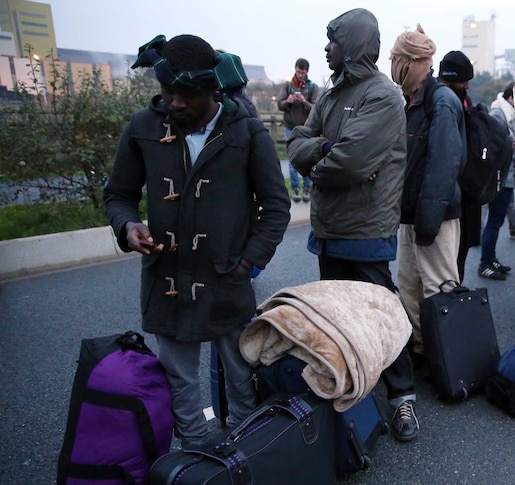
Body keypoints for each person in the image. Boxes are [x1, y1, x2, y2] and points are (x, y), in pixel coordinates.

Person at [104, 34, 292, 448]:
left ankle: (246, 456)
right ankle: (196, 463)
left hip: (228, 278)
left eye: (185, 95)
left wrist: (248, 263)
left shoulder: (246, 132)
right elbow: (118, 195)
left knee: (241, 379)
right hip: (166, 280)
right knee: (180, 384)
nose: (174, 104)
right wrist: (128, 225)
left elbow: (276, 206)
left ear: (211, 89)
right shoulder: (142, 128)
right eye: (167, 93)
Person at [285, 8, 419, 442]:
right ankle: (352, 399)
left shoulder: (382, 95)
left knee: (380, 315)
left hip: (366, 226)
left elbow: (347, 164)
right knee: (338, 319)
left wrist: (320, 153)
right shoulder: (328, 94)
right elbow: (297, 144)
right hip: (329, 228)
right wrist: (323, 147)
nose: (326, 49)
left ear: (354, 45)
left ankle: (402, 399)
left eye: (333, 41)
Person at [390, 26, 464, 379]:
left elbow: (444, 163)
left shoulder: (441, 100)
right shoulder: (411, 99)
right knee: (409, 285)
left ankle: (449, 358)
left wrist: (429, 221)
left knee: (439, 288)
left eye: (399, 60)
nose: (394, 65)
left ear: (415, 62)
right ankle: (421, 348)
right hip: (410, 214)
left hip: (434, 215)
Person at [479, 80, 515, 280]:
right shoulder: (498, 113)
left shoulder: (512, 115)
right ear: (511, 98)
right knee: (494, 221)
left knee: (497, 220)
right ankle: (485, 263)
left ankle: (491, 258)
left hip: (507, 173)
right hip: (499, 175)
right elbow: (496, 143)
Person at [435, 50, 481, 283]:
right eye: (464, 80)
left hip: (465, 195)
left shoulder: (464, 101)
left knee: (457, 260)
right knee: (441, 266)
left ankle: (453, 309)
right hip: (447, 197)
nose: (467, 86)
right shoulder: (441, 102)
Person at [278, 58, 321, 202]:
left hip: (306, 129)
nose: (300, 75)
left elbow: (316, 108)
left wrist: (304, 102)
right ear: (295, 69)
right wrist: (287, 101)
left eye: (302, 73)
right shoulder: (288, 85)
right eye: (298, 72)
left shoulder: (312, 87)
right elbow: (280, 104)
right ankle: (295, 189)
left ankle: (307, 188)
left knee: (308, 158)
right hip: (290, 126)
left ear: (306, 72)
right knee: (292, 160)